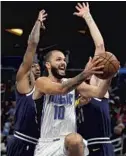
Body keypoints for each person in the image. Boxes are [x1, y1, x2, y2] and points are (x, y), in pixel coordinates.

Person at [33, 6, 113, 155]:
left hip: (69, 144)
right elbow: (61, 89)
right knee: (75, 140)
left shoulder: (74, 84)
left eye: (64, 59)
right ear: (48, 65)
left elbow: (99, 93)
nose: (63, 62)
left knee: (76, 140)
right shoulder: (41, 82)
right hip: (47, 144)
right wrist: (85, 73)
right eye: (58, 59)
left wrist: (109, 75)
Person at [74, 2, 116, 156]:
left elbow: (100, 45)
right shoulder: (77, 89)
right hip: (82, 147)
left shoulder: (97, 86)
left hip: (102, 144)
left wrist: (87, 16)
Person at [7, 10, 47, 156]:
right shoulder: (24, 84)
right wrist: (37, 23)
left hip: (41, 144)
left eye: (38, 66)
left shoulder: (44, 88)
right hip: (21, 142)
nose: (37, 67)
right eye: (33, 66)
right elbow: (32, 46)